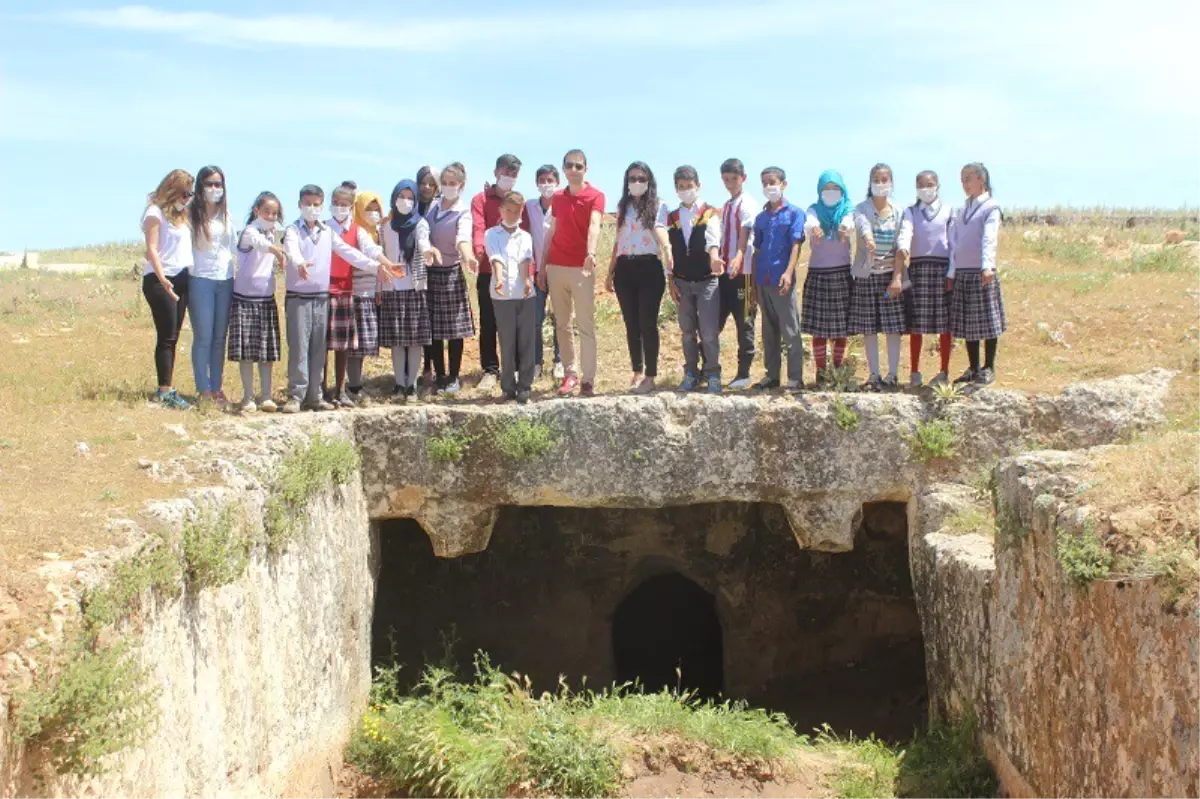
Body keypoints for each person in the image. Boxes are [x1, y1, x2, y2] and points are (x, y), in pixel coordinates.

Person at [280, 184, 390, 413]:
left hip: (321, 296)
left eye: (316, 204)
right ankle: (296, 395)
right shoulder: (293, 229)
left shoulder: (327, 232)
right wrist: (299, 262)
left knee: (320, 348)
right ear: (300, 205)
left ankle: (316, 396)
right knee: (300, 346)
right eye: (307, 204)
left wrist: (376, 267)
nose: (312, 208)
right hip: (299, 295)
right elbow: (290, 248)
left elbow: (350, 253)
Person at [539, 149, 605, 397]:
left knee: (585, 325)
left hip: (582, 268)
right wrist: (543, 265)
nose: (574, 170)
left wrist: (592, 253)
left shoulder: (596, 196)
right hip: (556, 266)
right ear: (564, 169)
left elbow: (595, 226)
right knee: (562, 325)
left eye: (579, 166)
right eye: (570, 166)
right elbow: (551, 231)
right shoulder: (557, 198)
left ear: (585, 168)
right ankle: (570, 375)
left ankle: (588, 380)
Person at [605, 161, 671, 394]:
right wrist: (610, 271)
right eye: (632, 179)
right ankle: (637, 371)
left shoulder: (659, 205)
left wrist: (667, 250)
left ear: (649, 181)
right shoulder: (622, 206)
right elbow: (618, 240)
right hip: (625, 268)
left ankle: (651, 375)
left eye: (641, 179)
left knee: (647, 322)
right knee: (631, 323)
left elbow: (660, 230)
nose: (636, 183)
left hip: (649, 268)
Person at [326, 183, 390, 407]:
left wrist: (383, 264)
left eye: (345, 205)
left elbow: (370, 249)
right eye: (336, 204)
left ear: (351, 206)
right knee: (324, 345)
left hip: (346, 291)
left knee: (345, 346)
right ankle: (322, 389)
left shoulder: (359, 231)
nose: (340, 208)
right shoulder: (325, 228)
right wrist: (379, 266)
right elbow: (349, 254)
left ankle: (342, 389)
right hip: (325, 291)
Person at [471, 154, 529, 393]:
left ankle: (513, 368)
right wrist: (479, 251)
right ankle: (490, 370)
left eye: (514, 174)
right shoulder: (481, 199)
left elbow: (525, 237)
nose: (509, 177)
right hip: (488, 271)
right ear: (495, 172)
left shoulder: (518, 201)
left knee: (515, 323)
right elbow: (478, 227)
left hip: (516, 273)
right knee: (488, 322)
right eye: (506, 172)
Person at [228, 191, 288, 412]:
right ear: (256, 210)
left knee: (266, 352)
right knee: (246, 352)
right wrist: (276, 251)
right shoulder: (249, 232)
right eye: (267, 212)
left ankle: (265, 395)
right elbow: (258, 244)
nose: (271, 216)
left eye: (275, 213)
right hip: (244, 298)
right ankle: (248, 396)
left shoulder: (273, 234)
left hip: (265, 298)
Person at [667, 165, 724, 394]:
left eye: (689, 186)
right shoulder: (671, 217)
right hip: (681, 281)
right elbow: (668, 250)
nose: (685, 191)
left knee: (709, 331)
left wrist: (715, 258)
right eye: (681, 187)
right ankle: (691, 372)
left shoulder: (710, 213)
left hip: (706, 280)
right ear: (676, 189)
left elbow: (713, 240)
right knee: (687, 330)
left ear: (698, 186)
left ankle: (713, 373)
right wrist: (670, 280)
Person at [140, 168, 195, 409]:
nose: (187, 199)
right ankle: (164, 391)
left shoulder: (181, 216)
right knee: (166, 335)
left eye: (190, 194)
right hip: (160, 278)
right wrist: (163, 279)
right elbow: (151, 249)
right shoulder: (154, 213)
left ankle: (168, 387)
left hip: (182, 276)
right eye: (184, 194)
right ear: (173, 191)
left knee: (174, 335)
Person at [849, 163, 906, 391]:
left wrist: (897, 277)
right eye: (876, 179)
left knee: (893, 328)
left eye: (885, 179)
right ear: (870, 183)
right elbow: (862, 226)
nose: (881, 184)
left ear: (891, 183)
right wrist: (868, 238)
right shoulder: (861, 208)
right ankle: (874, 375)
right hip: (867, 276)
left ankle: (892, 375)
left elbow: (902, 244)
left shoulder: (900, 211)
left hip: (890, 276)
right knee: (869, 327)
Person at [948, 162, 1006, 386]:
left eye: (968, 179)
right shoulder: (962, 209)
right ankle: (973, 367)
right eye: (962, 180)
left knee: (988, 320)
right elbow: (955, 242)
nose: (965, 184)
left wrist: (987, 266)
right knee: (969, 323)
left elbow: (989, 238)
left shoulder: (991, 207)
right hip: (963, 272)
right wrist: (952, 272)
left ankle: (988, 367)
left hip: (982, 271)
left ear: (981, 180)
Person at [750, 166, 806, 390]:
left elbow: (796, 245)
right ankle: (771, 376)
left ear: (783, 184)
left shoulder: (794, 213)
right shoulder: (761, 218)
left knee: (790, 330)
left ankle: (795, 378)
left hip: (782, 280)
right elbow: (757, 251)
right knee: (769, 331)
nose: (768, 187)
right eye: (764, 183)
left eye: (772, 182)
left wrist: (788, 272)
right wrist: (754, 283)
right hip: (763, 279)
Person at [896, 170, 954, 387]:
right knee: (916, 324)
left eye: (929, 184)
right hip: (918, 269)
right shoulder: (911, 211)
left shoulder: (948, 211)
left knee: (944, 324)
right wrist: (903, 246)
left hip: (942, 269)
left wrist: (952, 271)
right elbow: (907, 230)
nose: (925, 188)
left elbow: (953, 242)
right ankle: (914, 372)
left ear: (937, 185)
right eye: (920, 185)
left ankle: (944, 371)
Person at [424, 163, 477, 395]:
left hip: (452, 273)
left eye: (452, 184)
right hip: (431, 273)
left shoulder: (463, 212)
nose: (448, 187)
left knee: (455, 330)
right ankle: (440, 375)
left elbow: (462, 238)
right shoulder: (432, 206)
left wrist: (468, 256)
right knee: (434, 329)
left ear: (461, 186)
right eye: (444, 183)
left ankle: (454, 377)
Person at [802, 170, 856, 387]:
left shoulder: (848, 210)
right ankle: (821, 372)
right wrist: (814, 227)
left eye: (835, 188)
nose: (831, 192)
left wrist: (845, 227)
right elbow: (809, 222)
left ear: (842, 190)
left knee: (840, 328)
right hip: (819, 275)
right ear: (819, 190)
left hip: (841, 275)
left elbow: (849, 222)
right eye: (826, 188)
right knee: (819, 329)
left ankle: (838, 369)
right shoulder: (814, 210)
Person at [187, 165, 234, 406]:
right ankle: (203, 388)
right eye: (209, 184)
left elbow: (234, 247)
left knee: (219, 337)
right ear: (200, 187)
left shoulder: (226, 215)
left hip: (224, 279)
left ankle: (217, 387)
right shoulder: (189, 214)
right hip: (200, 279)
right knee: (203, 336)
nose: (214, 189)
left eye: (218, 184)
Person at [485, 191, 538, 404]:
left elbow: (526, 259)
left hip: (525, 295)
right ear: (501, 211)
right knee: (507, 341)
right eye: (508, 210)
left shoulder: (526, 236)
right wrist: (499, 279)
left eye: (516, 211)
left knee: (527, 341)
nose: (512, 214)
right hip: (502, 296)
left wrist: (526, 281)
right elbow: (495, 257)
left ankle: (525, 385)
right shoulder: (491, 234)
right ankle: (507, 387)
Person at [380, 180, 430, 401]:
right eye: (402, 196)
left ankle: (412, 385)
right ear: (394, 198)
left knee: (414, 340)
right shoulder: (386, 226)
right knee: (398, 340)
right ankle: (399, 383)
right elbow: (381, 254)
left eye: (410, 197)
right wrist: (380, 288)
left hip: (415, 288)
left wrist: (429, 252)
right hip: (392, 287)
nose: (406, 201)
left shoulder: (420, 224)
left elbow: (423, 242)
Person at [717, 158, 760, 390]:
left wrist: (740, 254)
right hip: (724, 274)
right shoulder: (726, 205)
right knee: (715, 321)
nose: (730, 183)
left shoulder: (747, 203)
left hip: (743, 273)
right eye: (726, 179)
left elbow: (746, 229)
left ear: (743, 178)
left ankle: (744, 372)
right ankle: (709, 368)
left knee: (744, 322)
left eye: (734, 179)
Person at [344, 189, 390, 404]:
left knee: (361, 345)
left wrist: (379, 290)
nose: (373, 213)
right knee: (352, 345)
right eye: (368, 209)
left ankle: (355, 384)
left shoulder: (378, 233)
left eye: (376, 209)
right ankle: (351, 386)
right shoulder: (354, 232)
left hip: (370, 294)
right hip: (354, 294)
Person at [526, 164, 563, 380]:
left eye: (550, 180)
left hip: (558, 270)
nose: (546, 185)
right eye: (542, 180)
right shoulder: (530, 206)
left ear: (557, 182)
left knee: (560, 318)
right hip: (536, 271)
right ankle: (536, 362)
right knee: (535, 319)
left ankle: (559, 361)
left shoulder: (563, 205)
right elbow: (507, 203)